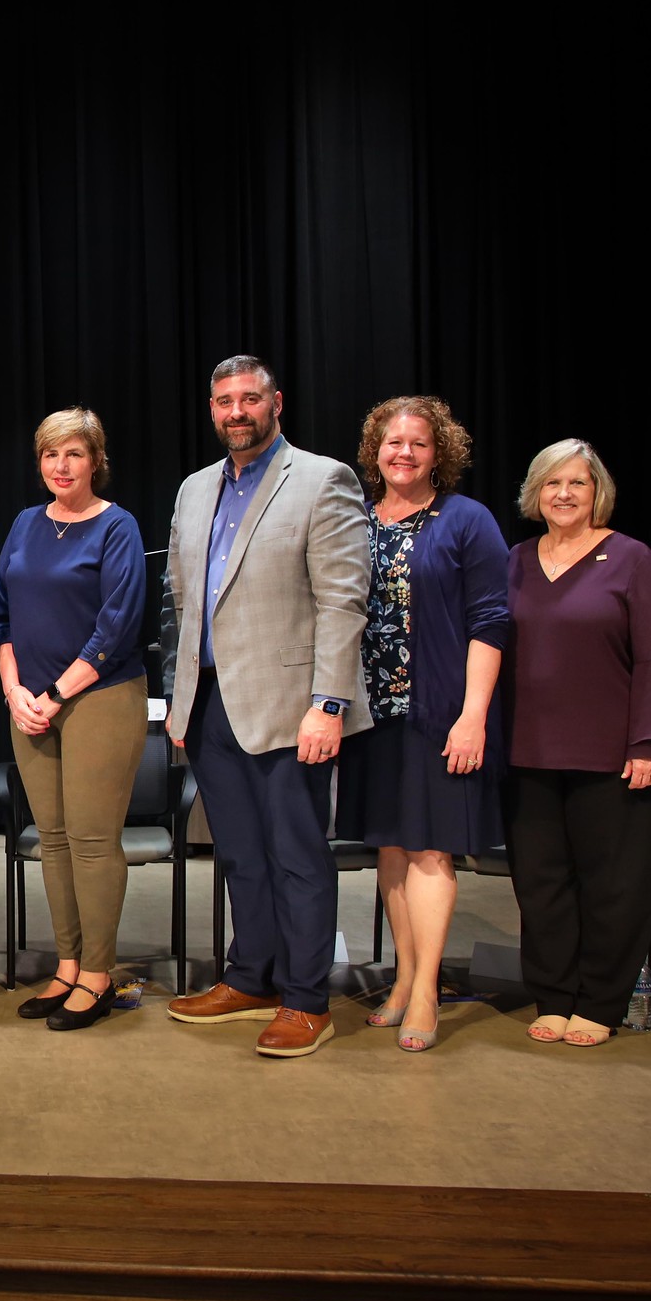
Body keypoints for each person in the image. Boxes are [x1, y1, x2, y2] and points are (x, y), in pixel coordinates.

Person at [164, 357, 370, 1058]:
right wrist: (180, 697)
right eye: (223, 400)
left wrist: (328, 701)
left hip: (291, 705)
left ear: (274, 402)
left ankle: (307, 999)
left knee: (296, 855)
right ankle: (249, 974)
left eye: (248, 398)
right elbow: (184, 597)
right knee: (240, 856)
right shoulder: (195, 489)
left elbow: (342, 602)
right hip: (210, 702)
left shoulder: (321, 479)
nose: (235, 411)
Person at [503, 439, 651, 1047]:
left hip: (613, 753)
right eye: (553, 483)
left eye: (577, 483)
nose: (564, 494)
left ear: (596, 492)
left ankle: (601, 1001)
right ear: (536, 492)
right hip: (527, 751)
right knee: (541, 883)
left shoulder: (632, 559)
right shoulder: (516, 561)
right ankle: (553, 996)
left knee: (614, 884)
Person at [334, 398, 510, 1053]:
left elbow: (489, 621)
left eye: (417, 443)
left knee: (430, 847)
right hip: (368, 715)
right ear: (373, 450)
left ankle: (429, 989)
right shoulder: (354, 521)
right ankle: (403, 976)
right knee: (390, 846)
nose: (402, 452)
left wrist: (472, 716)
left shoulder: (466, 520)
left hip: (437, 713)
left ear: (440, 453)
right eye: (390, 442)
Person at [0, 408, 149, 1032]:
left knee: (90, 839)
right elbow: (0, 615)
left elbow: (118, 623)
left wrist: (54, 694)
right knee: (51, 840)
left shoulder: (117, 526)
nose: (61, 466)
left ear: (94, 460)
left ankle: (99, 976)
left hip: (98, 697)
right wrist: (13, 688)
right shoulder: (27, 523)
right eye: (51, 455)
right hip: (28, 702)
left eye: (74, 454)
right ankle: (68, 964)